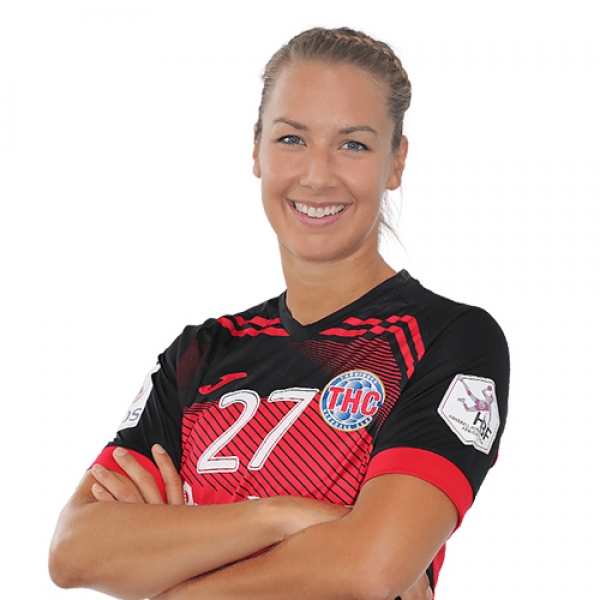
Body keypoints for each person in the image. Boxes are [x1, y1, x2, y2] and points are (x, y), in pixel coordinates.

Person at [49, 27, 509, 600]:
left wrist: (174, 567)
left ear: (396, 162)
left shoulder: (448, 339)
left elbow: (373, 567)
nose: (317, 175)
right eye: (292, 139)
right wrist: (279, 515)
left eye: (354, 145)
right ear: (256, 149)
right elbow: (73, 550)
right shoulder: (199, 354)